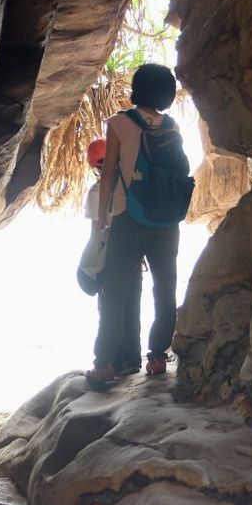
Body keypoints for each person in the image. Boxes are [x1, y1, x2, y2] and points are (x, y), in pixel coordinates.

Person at [87, 64, 181, 383]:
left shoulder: (119, 123)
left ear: (138, 87)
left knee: (114, 292)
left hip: (129, 219)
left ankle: (104, 366)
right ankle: (157, 358)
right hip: (167, 223)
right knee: (165, 289)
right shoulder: (172, 126)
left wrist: (102, 219)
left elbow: (110, 174)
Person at [82, 139, 143, 367]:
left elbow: (96, 231)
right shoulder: (132, 186)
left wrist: (94, 264)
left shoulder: (97, 191)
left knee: (109, 309)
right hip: (134, 254)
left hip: (111, 257)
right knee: (132, 307)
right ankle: (133, 359)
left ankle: (114, 359)